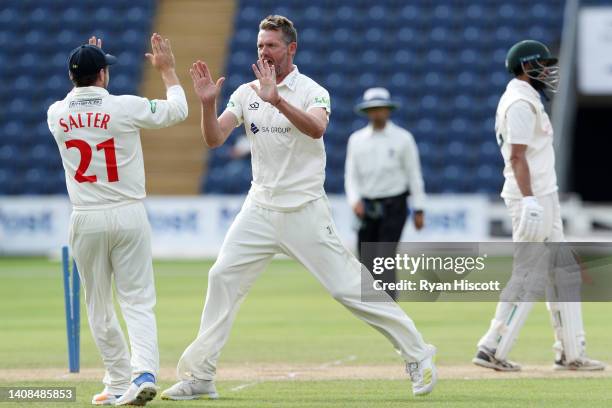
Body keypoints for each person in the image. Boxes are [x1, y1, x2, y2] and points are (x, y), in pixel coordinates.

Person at [161, 15, 436, 401]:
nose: (263, 52)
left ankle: (419, 355)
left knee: (349, 288)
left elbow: (317, 128)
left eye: (271, 45)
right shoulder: (245, 92)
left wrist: (278, 100)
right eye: (259, 46)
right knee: (221, 276)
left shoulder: (313, 91)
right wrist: (207, 105)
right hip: (259, 208)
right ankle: (201, 375)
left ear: (291, 48)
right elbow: (215, 139)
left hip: (304, 209)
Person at [47, 34, 188, 405]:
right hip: (128, 213)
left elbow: (85, 105)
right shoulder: (124, 107)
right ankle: (141, 374)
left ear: (72, 77)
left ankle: (116, 379)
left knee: (98, 304)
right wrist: (169, 72)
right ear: (103, 75)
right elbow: (177, 110)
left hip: (86, 216)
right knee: (137, 301)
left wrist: (89, 66)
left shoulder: (55, 114)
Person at [472, 39, 605, 372]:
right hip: (530, 199)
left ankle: (571, 353)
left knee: (564, 275)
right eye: (543, 65)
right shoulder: (518, 102)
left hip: (545, 195)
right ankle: (492, 347)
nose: (549, 71)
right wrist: (530, 198)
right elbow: (516, 156)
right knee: (529, 276)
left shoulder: (529, 99)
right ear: (527, 67)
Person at [345, 87, 426, 299]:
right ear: (367, 112)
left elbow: (413, 175)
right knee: (366, 257)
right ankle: (371, 302)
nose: (377, 113)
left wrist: (419, 208)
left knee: (384, 255)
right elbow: (351, 175)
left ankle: (389, 303)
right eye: (372, 109)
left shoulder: (403, 139)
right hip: (367, 206)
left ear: (388, 110)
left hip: (395, 205)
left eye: (381, 108)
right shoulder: (357, 139)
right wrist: (354, 200)